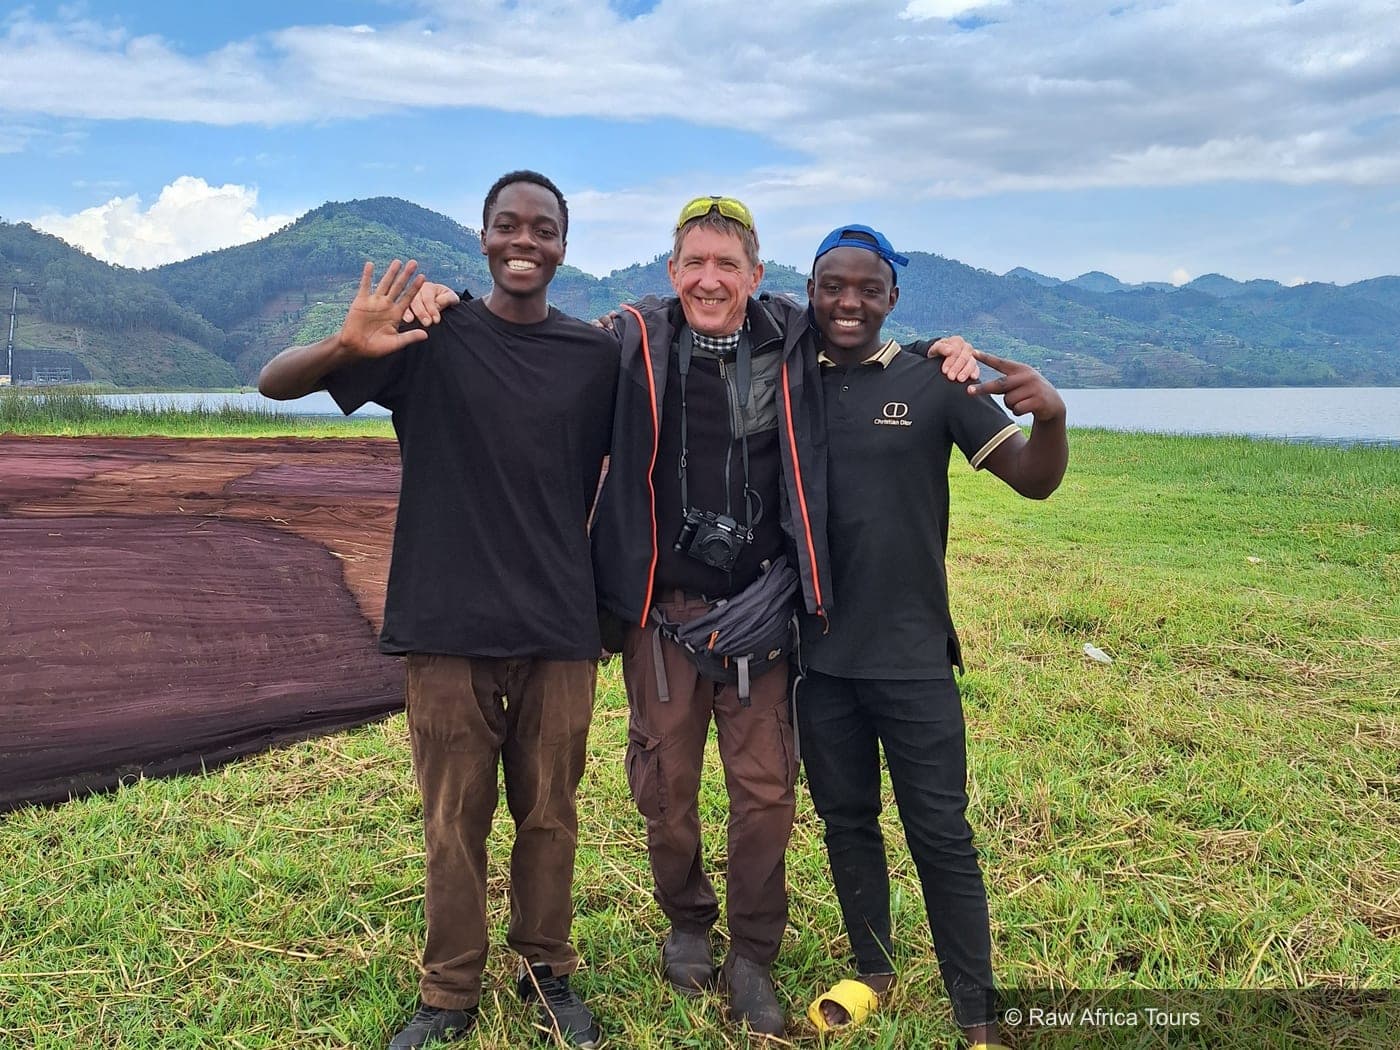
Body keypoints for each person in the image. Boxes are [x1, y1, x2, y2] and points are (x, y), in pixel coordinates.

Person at [410, 197, 976, 1037]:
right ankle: (686, 922)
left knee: (765, 794)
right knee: (665, 789)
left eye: (729, 265)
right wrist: (446, 303)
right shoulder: (629, 341)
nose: (711, 279)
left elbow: (867, 331)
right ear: (673, 273)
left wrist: (940, 350)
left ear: (755, 275)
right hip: (662, 618)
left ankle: (751, 953)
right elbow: (528, 333)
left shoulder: (793, 337)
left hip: (763, 617)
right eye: (695, 264)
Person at [258, 171, 616, 1050]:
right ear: (484, 236)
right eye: (508, 226)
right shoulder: (428, 337)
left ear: (564, 245)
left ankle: (547, 974)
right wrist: (346, 345)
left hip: (560, 628)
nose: (524, 241)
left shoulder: (594, 357)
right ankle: (448, 994)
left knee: (550, 816)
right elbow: (275, 383)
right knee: (453, 824)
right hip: (445, 623)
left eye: (543, 228)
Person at [796, 224, 1068, 1049]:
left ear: (892, 299)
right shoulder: (783, 381)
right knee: (846, 821)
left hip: (914, 656)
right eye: (832, 287)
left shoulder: (935, 380)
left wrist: (1051, 415)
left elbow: (1033, 481)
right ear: (811, 292)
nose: (848, 302)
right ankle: (872, 971)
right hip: (816, 656)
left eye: (866, 289)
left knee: (940, 833)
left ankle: (977, 1010)